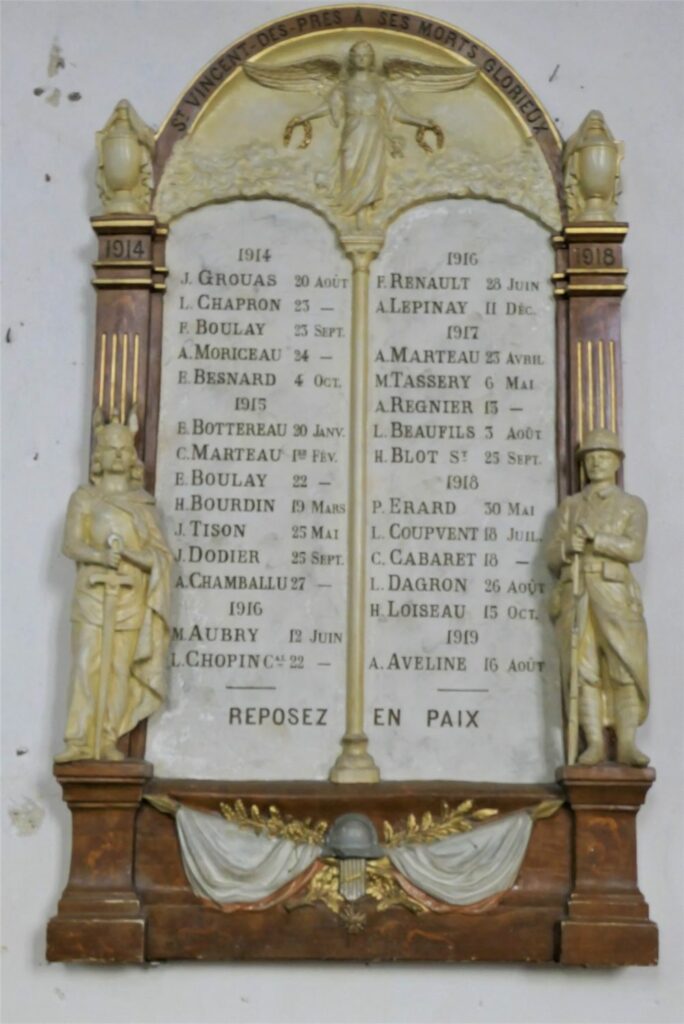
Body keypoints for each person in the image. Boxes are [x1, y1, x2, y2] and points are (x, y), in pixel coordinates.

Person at [55, 410, 172, 762]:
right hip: (92, 594)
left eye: (124, 449)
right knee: (85, 663)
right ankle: (79, 740)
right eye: (112, 449)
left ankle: (107, 738)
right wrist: (100, 557)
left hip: (129, 597)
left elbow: (159, 556)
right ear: (99, 457)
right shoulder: (85, 498)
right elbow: (70, 545)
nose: (119, 455)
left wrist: (131, 557)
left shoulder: (143, 506)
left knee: (119, 669)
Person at [546, 429, 649, 766]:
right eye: (590, 458)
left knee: (623, 664)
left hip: (613, 591)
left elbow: (634, 548)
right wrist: (568, 547)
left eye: (603, 456)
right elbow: (552, 555)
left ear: (616, 462)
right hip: (577, 591)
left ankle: (627, 743)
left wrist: (597, 539)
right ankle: (593, 743)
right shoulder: (571, 506)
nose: (596, 463)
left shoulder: (631, 506)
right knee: (583, 668)